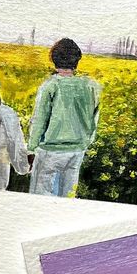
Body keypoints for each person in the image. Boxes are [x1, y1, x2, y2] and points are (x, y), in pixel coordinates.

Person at [27, 38, 101, 198]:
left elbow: (39, 120)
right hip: (77, 151)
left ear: (54, 60)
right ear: (77, 60)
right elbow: (94, 119)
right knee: (67, 196)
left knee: (42, 198)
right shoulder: (91, 86)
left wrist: (31, 148)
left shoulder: (50, 85)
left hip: (50, 151)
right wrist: (86, 142)